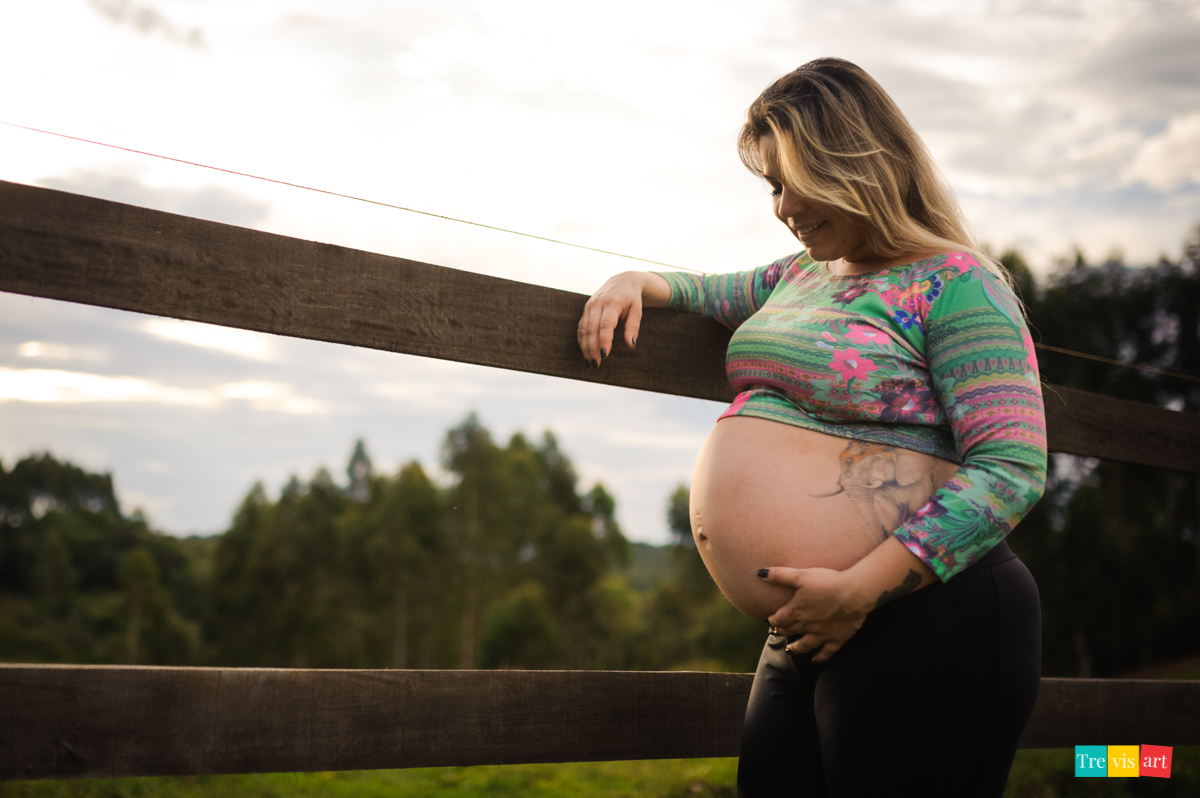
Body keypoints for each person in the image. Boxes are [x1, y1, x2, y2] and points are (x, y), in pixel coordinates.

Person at [576, 58, 1046, 797]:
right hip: (806, 627)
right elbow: (706, 289)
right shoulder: (800, 276)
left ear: (853, 162)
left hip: (925, 615)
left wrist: (859, 588)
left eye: (795, 178)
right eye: (772, 185)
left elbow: (1012, 468)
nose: (783, 205)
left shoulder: (958, 284)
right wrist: (633, 280)